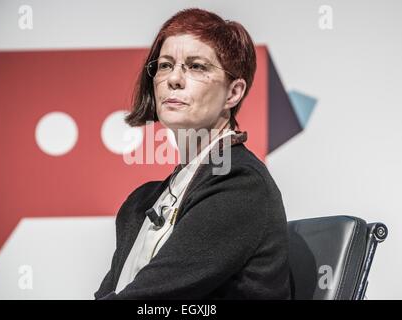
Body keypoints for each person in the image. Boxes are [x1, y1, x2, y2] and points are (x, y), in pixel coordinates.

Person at [94, 8, 291, 300]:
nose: (174, 79)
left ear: (233, 93)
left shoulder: (240, 185)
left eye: (196, 66)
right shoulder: (142, 202)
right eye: (164, 65)